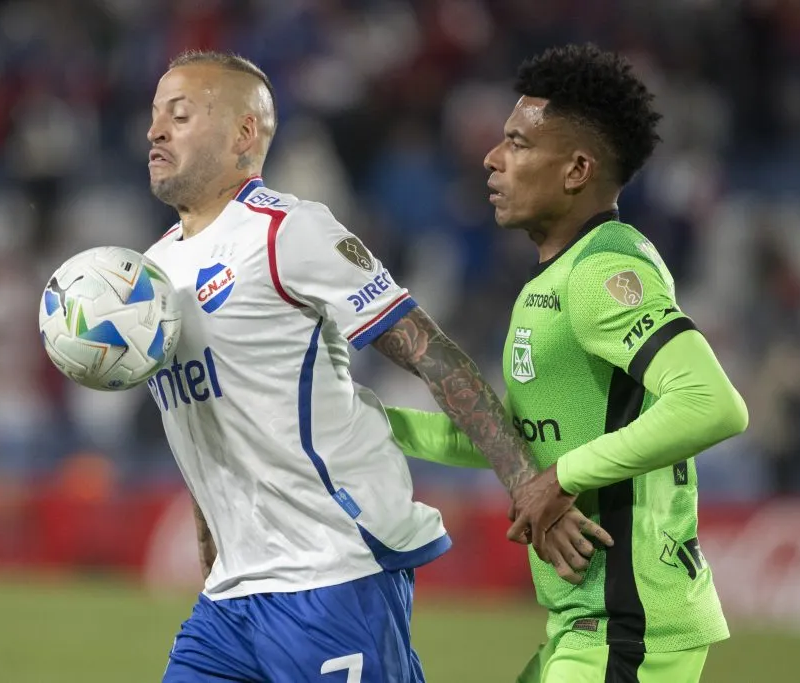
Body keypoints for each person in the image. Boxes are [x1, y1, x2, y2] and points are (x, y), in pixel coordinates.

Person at [141, 50, 598, 683]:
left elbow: (429, 353)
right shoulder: (151, 276)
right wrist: (213, 548)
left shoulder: (286, 232)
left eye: (180, 115)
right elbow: (205, 418)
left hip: (332, 578)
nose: (155, 130)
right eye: (156, 114)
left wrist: (526, 483)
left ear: (245, 133)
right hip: (230, 602)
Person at [386, 43, 749, 682]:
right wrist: (373, 421)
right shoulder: (557, 278)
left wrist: (562, 479)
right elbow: (521, 440)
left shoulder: (604, 271)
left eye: (518, 144)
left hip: (629, 628)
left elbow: (712, 403)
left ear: (577, 169)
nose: (492, 159)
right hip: (584, 626)